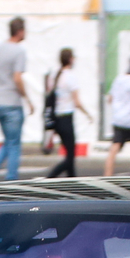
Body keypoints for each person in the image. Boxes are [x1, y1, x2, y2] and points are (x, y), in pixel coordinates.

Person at [0, 17, 29, 181]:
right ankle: (11, 179)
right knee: (15, 144)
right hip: (12, 102)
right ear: (20, 31)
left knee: (9, 141)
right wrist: (27, 98)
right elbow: (17, 78)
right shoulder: (19, 51)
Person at [43, 46, 89, 177]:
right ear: (70, 59)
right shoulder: (71, 77)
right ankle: (50, 177)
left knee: (69, 153)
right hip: (66, 118)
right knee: (70, 156)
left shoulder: (54, 75)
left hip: (56, 118)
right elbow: (77, 102)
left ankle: (72, 180)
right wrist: (88, 114)